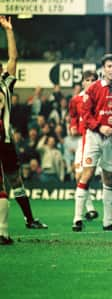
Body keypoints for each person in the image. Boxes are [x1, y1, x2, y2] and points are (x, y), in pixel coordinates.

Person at [72, 53, 112, 232]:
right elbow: (85, 113)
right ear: (103, 69)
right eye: (109, 66)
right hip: (94, 136)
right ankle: (77, 219)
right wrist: (100, 127)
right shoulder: (93, 88)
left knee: (109, 178)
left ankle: (107, 222)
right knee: (87, 174)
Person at [0, 15, 47, 234]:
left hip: (5, 140)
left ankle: (28, 219)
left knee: (14, 180)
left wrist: (9, 31)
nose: (3, 67)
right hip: (4, 139)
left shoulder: (5, 83)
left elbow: (13, 58)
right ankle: (3, 230)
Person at [68, 70, 100, 222]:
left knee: (104, 176)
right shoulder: (76, 100)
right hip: (84, 140)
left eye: (93, 80)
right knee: (79, 176)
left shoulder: (101, 97)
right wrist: (73, 126)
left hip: (99, 139)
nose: (90, 82)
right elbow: (73, 115)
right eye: (87, 80)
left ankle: (110, 210)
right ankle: (90, 209)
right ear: (82, 82)